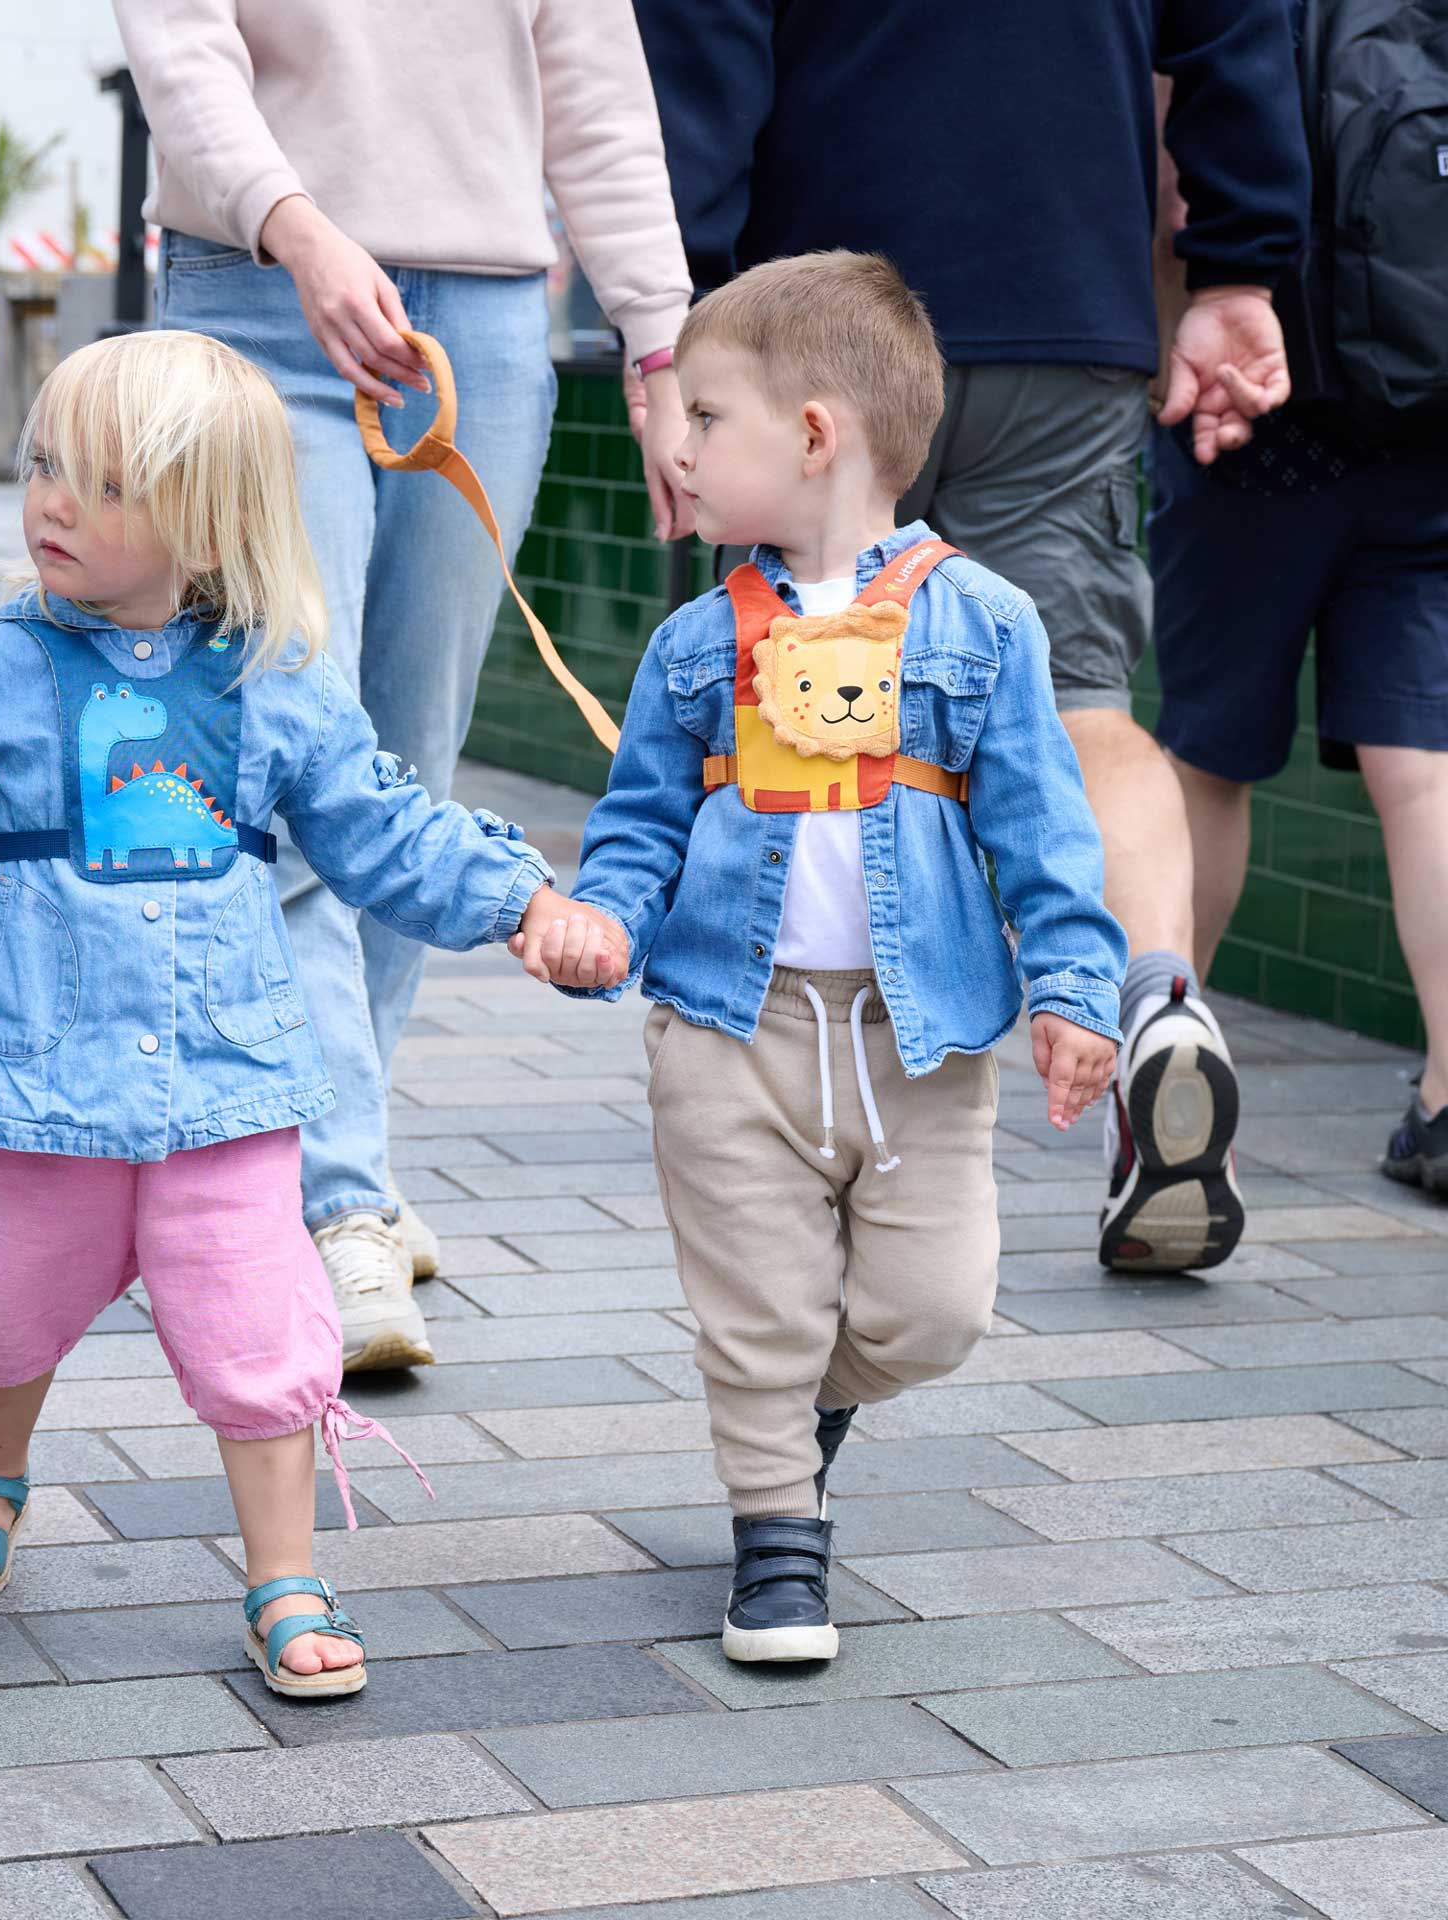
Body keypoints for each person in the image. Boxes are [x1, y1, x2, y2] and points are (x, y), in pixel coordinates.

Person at [0, 330, 622, 1691]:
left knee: (261, 1337)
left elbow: (382, 831)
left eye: (108, 485)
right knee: (6, 1319)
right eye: (46, 467)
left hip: (227, 1091)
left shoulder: (275, 681)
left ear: (208, 520)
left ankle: (283, 1571)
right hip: (27, 1093)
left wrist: (519, 898)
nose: (56, 501)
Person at [631, 0, 1310, 1274]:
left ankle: (801, 1084)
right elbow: (1234, 27)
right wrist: (1236, 264)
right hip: (1060, 296)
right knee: (1086, 710)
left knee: (790, 689)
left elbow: (700, 47)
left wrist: (677, 334)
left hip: (808, 333)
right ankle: (1153, 1005)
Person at [532, 252, 1122, 1663]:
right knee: (757, 1311)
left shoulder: (983, 625)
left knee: (934, 1314)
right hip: (729, 1032)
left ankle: (797, 1410)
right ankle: (776, 1542)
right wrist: (601, 918)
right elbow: (636, 823)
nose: (679, 446)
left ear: (814, 435)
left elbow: (1045, 827)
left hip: (919, 1043)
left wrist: (1075, 990)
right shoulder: (692, 645)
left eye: (707, 420)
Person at [115, 0, 694, 1370]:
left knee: (407, 771)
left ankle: (327, 1148)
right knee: (297, 754)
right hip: (259, 291)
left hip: (485, 319)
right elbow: (182, 55)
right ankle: (342, 1193)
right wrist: (301, 227)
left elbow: (599, 94)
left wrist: (662, 348)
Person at [1147, 1, 1448, 1200]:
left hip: (1247, 408)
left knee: (1206, 755)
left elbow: (1169, 165)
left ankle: (1163, 1061)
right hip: (1426, 408)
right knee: (1422, 761)